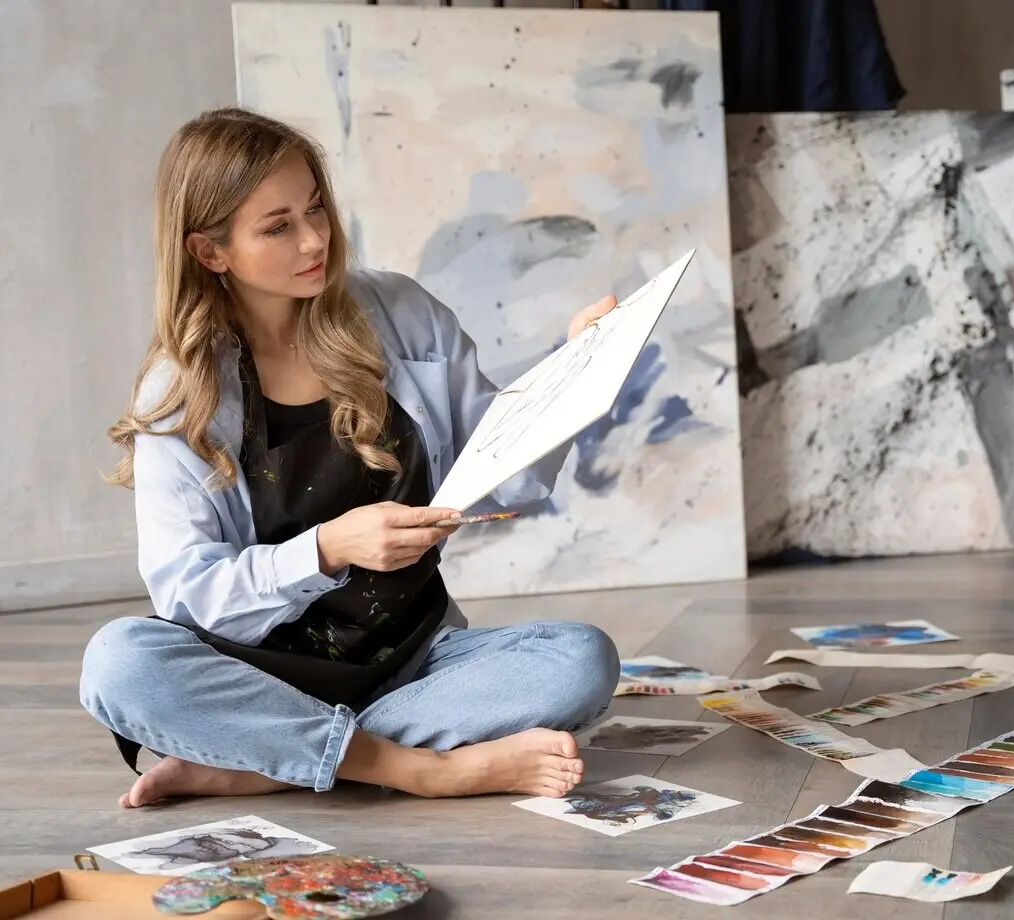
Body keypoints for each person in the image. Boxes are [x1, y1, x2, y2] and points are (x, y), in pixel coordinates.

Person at [78, 107, 622, 809]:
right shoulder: (181, 394)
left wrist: (572, 376)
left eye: (315, 209)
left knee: (583, 658)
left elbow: (500, 470)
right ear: (211, 252)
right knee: (119, 663)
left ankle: (270, 760)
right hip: (256, 677)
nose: (314, 239)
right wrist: (327, 549)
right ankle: (420, 768)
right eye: (277, 227)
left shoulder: (402, 312)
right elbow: (191, 595)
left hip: (415, 661)